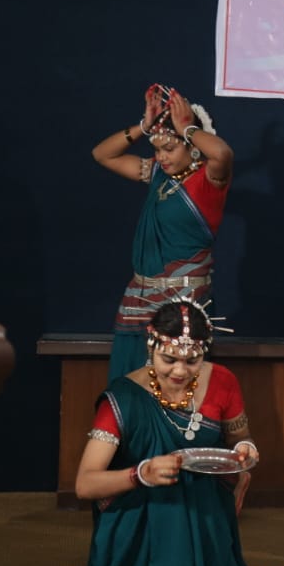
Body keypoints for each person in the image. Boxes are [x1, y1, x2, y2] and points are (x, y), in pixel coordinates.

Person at [50, 299, 276, 566]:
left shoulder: (223, 381)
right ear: (151, 346)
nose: (180, 371)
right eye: (169, 359)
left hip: (203, 505)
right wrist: (141, 473)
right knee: (167, 494)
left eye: (192, 361)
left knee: (192, 487)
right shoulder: (123, 398)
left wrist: (244, 453)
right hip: (140, 508)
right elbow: (85, 485)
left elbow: (240, 438)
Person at [92, 84, 234, 380]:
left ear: (192, 146)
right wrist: (144, 126)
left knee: (174, 394)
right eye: (157, 149)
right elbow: (102, 154)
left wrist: (187, 128)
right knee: (130, 390)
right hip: (137, 301)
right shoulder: (158, 175)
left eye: (170, 148)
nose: (162, 157)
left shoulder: (207, 184)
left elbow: (222, 152)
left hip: (182, 305)